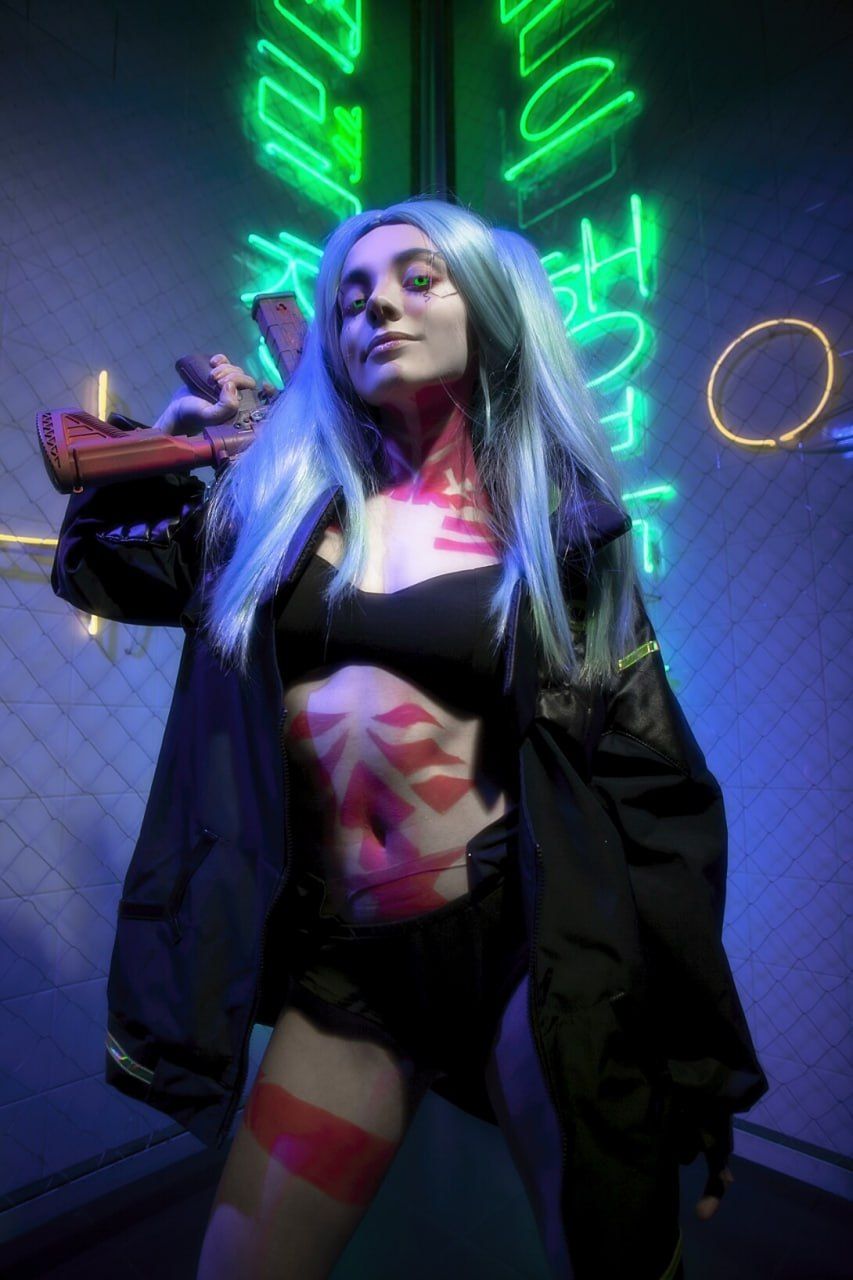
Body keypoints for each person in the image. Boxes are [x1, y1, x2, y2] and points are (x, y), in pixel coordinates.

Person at [51, 196, 767, 1280]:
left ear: (490, 309)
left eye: (418, 279)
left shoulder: (556, 533)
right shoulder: (274, 508)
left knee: (613, 1256)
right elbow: (101, 569)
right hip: (349, 964)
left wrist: (698, 1061)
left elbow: (653, 783)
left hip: (522, 948)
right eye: (351, 296)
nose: (377, 305)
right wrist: (166, 442)